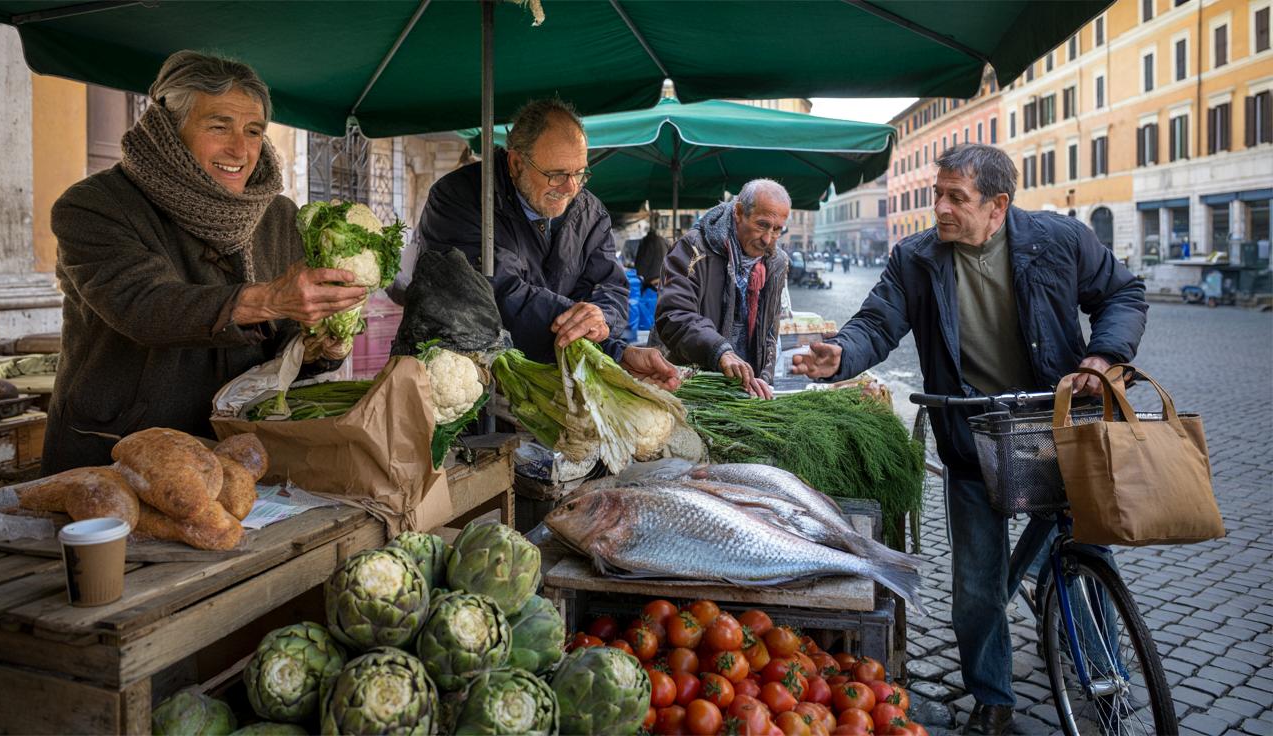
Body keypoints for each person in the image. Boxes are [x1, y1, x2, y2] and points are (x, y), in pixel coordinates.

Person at [792, 144, 1147, 735]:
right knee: (978, 579)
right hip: (971, 433)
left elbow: (1124, 293)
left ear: (997, 205)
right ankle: (993, 696)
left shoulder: (1059, 240)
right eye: (938, 194)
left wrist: (1103, 355)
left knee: (1089, 547)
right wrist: (842, 355)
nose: (941, 208)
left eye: (957, 197)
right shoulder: (917, 258)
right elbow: (878, 321)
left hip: (1055, 424)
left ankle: (1104, 674)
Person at [44, 51, 365, 474]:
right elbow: (142, 305)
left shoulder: (278, 215)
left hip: (240, 453)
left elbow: (282, 343)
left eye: (253, 131)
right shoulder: (95, 206)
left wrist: (319, 349)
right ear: (166, 128)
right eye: (219, 126)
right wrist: (267, 299)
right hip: (117, 455)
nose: (240, 149)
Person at [412, 98, 678, 389]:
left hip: (556, 387)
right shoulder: (458, 198)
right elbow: (496, 293)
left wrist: (601, 319)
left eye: (580, 173)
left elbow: (610, 287)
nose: (571, 188)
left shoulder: (591, 212)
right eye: (557, 175)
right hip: (467, 386)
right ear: (516, 163)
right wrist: (599, 337)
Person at [653, 180, 792, 399]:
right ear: (738, 212)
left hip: (741, 387)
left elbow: (768, 333)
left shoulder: (776, 262)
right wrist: (719, 350)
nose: (768, 239)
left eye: (777, 230)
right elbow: (674, 315)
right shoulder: (694, 248)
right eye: (762, 225)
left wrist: (764, 382)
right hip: (692, 384)